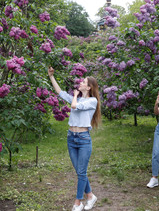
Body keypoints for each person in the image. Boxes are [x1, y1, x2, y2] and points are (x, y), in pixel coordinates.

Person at [48, 67, 101, 211]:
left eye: (83, 82)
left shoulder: (92, 101)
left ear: (89, 87)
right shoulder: (76, 97)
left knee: (81, 172)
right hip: (71, 138)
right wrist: (51, 77)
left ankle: (78, 202)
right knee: (80, 171)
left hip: (83, 139)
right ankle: (90, 195)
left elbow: (74, 105)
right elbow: (60, 93)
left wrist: (75, 96)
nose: (80, 83)